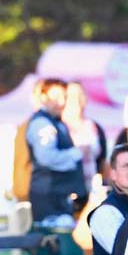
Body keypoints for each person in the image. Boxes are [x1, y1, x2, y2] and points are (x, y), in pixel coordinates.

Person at [25, 78, 87, 226]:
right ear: (43, 97)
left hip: (59, 198)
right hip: (50, 200)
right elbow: (46, 157)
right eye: (56, 97)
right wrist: (76, 153)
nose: (61, 102)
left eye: (64, 97)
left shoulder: (56, 121)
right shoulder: (42, 124)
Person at [62, 81, 106, 196]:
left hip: (93, 191)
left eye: (80, 95)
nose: (76, 100)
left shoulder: (94, 127)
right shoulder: (58, 128)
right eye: (71, 96)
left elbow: (102, 160)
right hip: (67, 191)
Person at [12, 78, 44, 202]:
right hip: (32, 195)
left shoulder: (59, 125)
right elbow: (21, 162)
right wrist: (23, 196)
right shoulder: (27, 126)